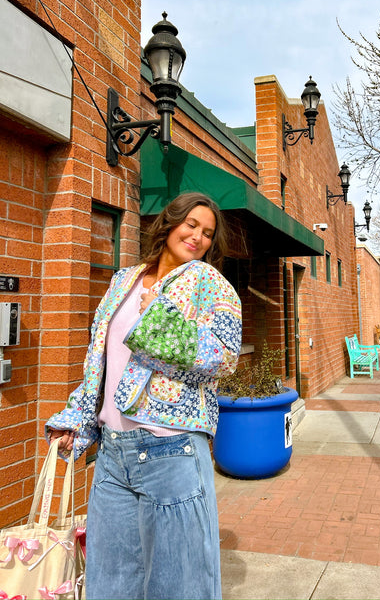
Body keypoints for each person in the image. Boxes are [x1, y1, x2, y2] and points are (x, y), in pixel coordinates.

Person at [45, 192, 242, 600]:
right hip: (113, 456)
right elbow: (99, 361)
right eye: (191, 224)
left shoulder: (210, 284)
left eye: (207, 233)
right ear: (170, 222)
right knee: (110, 579)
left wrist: (159, 320)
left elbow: (224, 358)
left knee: (179, 583)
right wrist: (78, 421)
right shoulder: (123, 280)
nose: (198, 237)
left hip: (171, 448)